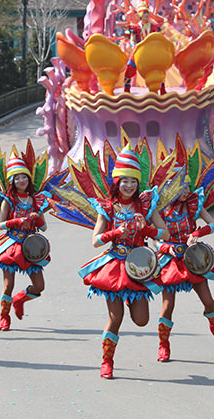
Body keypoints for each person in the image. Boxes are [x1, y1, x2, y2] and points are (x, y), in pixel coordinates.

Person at [78, 145, 168, 378]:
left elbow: (164, 233)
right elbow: (96, 241)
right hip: (115, 266)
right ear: (117, 182)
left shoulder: (146, 205)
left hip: (139, 266)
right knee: (115, 318)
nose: (129, 186)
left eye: (133, 182)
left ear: (139, 184)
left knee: (141, 320)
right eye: (124, 181)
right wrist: (115, 232)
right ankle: (107, 361)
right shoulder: (107, 208)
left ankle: (131, 299)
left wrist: (145, 228)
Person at [153, 174, 214, 362]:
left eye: (187, 187)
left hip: (192, 257)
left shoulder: (194, 204)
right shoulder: (160, 208)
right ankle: (164, 344)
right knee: (168, 305)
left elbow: (213, 224)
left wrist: (196, 232)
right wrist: (166, 247)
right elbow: (155, 238)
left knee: (208, 301)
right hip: (169, 260)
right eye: (181, 188)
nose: (186, 192)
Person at [0, 154, 49, 331]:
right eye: (17, 177)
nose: (21, 180)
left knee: (39, 286)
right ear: (12, 181)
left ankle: (19, 300)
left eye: (24, 177)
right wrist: (17, 222)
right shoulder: (9, 200)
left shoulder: (36, 200)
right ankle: (4, 317)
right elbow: (0, 224)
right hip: (11, 245)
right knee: (8, 284)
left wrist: (37, 218)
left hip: (31, 246)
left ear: (29, 178)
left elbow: (43, 228)